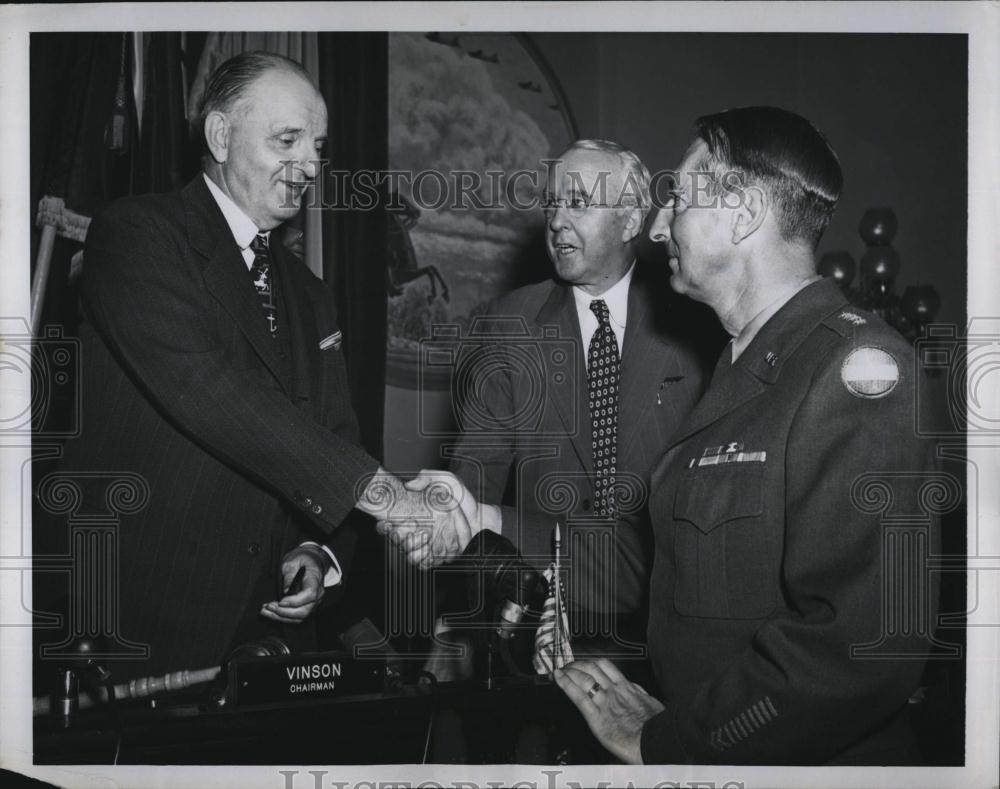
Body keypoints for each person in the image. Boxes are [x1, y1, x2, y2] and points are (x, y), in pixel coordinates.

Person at [555, 107, 938, 764]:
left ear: (744, 213)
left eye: (677, 196)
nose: (655, 223)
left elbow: (859, 649)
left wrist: (671, 743)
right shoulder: (742, 369)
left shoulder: (857, 370)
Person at [42, 52, 443, 681]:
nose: (310, 164)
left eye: (318, 146)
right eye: (288, 140)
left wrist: (319, 549)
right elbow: (209, 388)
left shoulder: (310, 293)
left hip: (261, 640)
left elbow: (335, 438)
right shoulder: (137, 235)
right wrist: (384, 495)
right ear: (220, 135)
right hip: (128, 624)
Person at [397, 141, 715, 678]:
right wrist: (457, 618)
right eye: (551, 205)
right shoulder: (507, 324)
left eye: (579, 203)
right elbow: (475, 479)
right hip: (539, 619)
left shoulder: (696, 322)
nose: (558, 222)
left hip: (670, 626)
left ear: (631, 218)